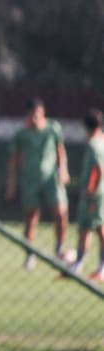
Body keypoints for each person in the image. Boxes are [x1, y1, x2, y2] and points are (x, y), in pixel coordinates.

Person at [5, 97, 70, 270]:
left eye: (39, 114)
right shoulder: (22, 134)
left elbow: (60, 150)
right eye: (32, 114)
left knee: (60, 212)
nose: (36, 118)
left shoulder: (53, 129)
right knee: (31, 218)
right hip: (30, 179)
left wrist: (63, 170)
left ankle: (59, 250)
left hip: (51, 179)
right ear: (27, 115)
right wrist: (12, 183)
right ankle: (30, 254)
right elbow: (14, 159)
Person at [69, 108, 104, 281]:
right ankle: (82, 264)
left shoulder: (93, 144)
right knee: (91, 228)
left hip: (95, 194)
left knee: (94, 228)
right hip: (97, 193)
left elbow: (99, 169)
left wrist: (92, 189)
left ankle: (94, 266)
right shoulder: (102, 141)